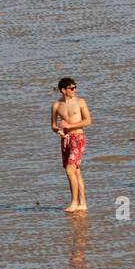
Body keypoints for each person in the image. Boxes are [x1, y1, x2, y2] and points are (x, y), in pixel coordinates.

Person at [51, 77, 91, 213]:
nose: (75, 90)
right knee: (76, 172)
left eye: (75, 87)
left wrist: (70, 125)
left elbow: (88, 121)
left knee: (70, 170)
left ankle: (74, 203)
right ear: (63, 90)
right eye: (72, 88)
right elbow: (53, 126)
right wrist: (59, 131)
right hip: (66, 139)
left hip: (78, 138)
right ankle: (83, 203)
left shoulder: (80, 102)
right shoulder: (56, 105)